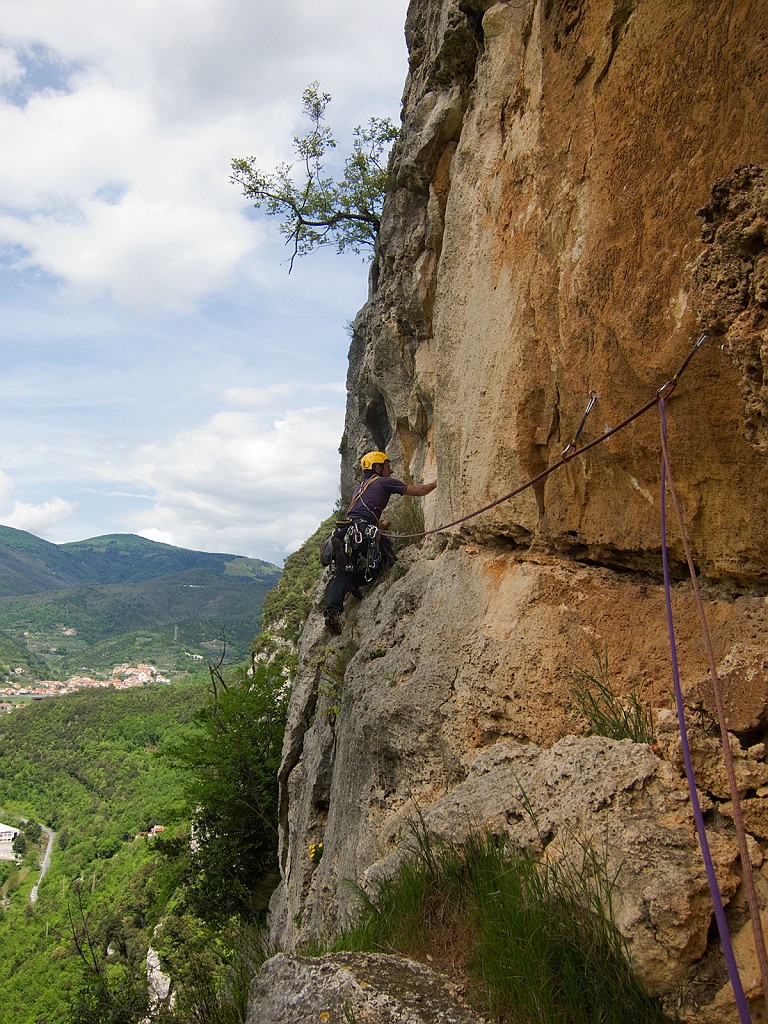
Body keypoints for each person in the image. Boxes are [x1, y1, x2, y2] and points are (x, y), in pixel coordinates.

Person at [323, 451, 437, 634]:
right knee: (386, 560)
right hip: (364, 531)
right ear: (378, 467)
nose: (390, 470)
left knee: (343, 573)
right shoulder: (384, 482)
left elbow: (360, 513)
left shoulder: (359, 488)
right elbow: (419, 491)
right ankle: (357, 581)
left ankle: (333, 610)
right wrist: (437, 482)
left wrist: (380, 524)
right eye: (387, 466)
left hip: (347, 531)